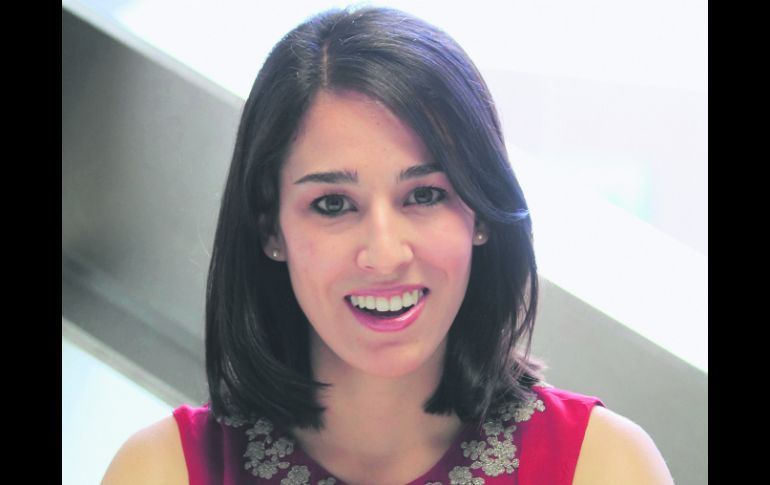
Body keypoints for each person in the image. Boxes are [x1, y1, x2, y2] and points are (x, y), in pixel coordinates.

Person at [102, 6, 675, 485]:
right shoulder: (160, 471)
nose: (384, 254)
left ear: (481, 212)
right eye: (333, 204)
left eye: (424, 195)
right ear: (270, 229)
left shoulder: (604, 466)